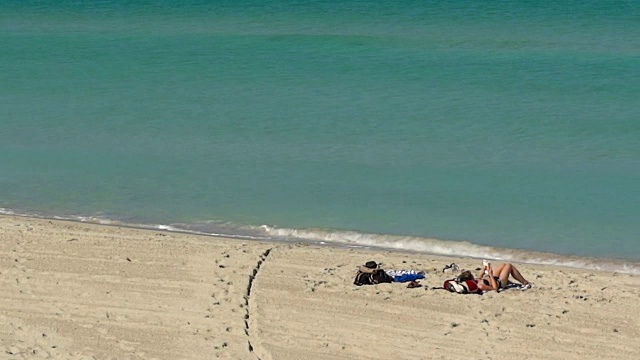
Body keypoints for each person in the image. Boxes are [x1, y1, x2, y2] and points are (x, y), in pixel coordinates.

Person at [457, 262, 532, 292]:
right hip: (499, 282)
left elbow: (479, 278)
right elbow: (494, 288)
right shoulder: (480, 286)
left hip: (491, 277)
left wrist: (483, 271)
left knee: (503, 265)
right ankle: (525, 282)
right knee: (509, 266)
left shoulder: (475, 282)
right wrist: (490, 275)